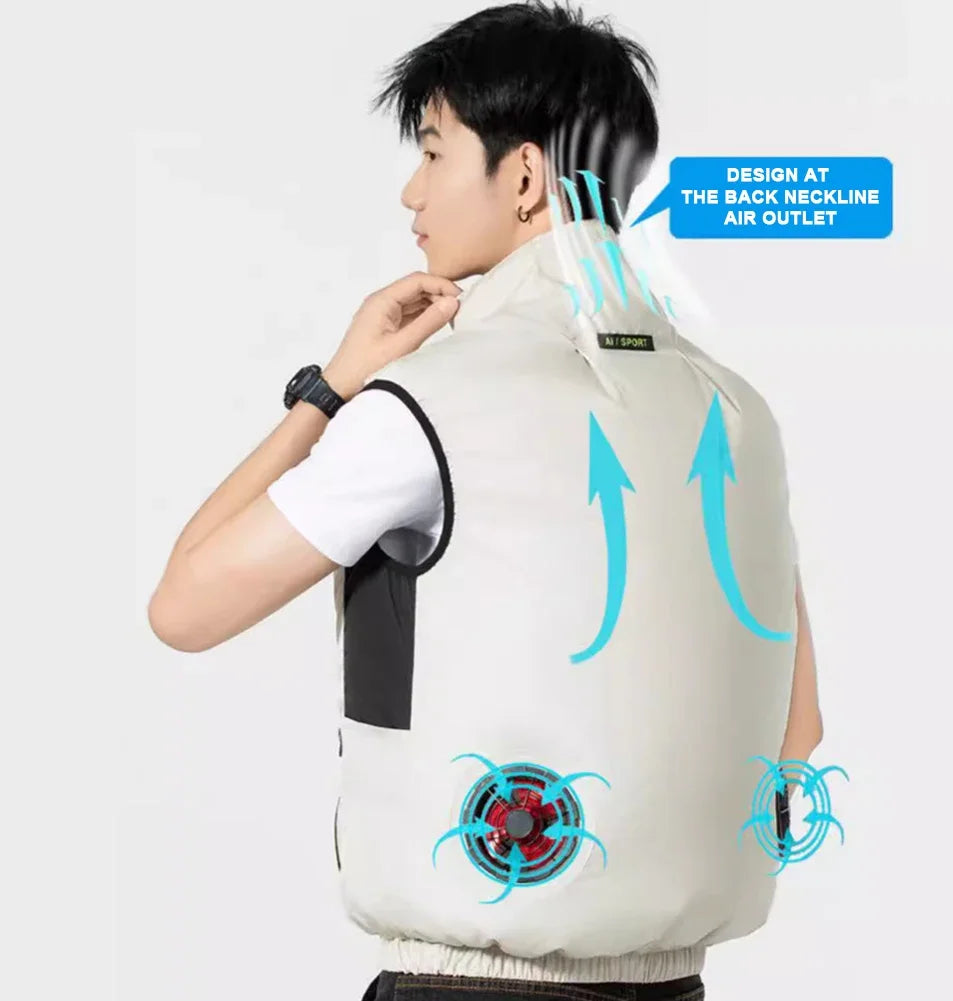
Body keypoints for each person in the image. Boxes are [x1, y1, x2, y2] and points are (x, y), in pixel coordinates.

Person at [147, 3, 823, 999]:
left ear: (524, 175)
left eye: (432, 151)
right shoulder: (736, 410)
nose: (411, 191)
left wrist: (330, 389)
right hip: (675, 984)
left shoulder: (425, 404)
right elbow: (797, 726)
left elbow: (185, 606)